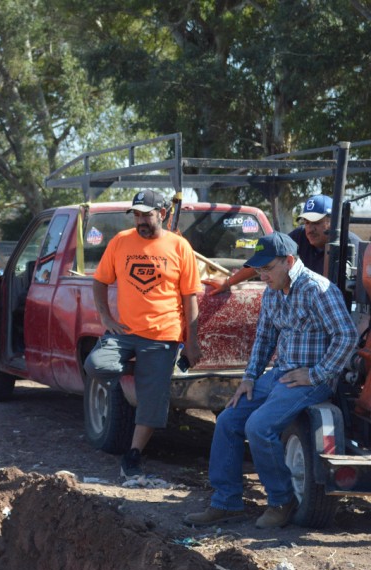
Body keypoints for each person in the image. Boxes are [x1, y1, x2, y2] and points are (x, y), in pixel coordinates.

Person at [184, 232, 356, 528]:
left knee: (259, 426)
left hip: (311, 379)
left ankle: (281, 501)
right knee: (228, 420)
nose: (262, 275)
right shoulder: (273, 290)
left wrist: (316, 373)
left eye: (267, 268)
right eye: (259, 270)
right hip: (280, 374)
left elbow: (347, 336)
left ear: (289, 261)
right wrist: (249, 379)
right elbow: (264, 338)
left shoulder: (319, 290)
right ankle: (226, 503)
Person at [84, 189, 202, 478]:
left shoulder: (179, 247)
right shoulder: (121, 242)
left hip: (164, 335)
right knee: (95, 364)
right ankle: (134, 369)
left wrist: (192, 342)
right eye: (136, 215)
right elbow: (99, 281)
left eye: (146, 215)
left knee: (152, 401)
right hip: (124, 331)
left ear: (162, 213)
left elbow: (190, 298)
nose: (140, 221)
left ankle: (134, 455)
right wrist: (105, 316)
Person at [205, 194, 361, 294]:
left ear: (333, 222)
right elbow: (267, 257)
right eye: (306, 223)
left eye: (317, 223)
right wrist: (228, 283)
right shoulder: (300, 235)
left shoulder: (353, 245)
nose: (310, 229)